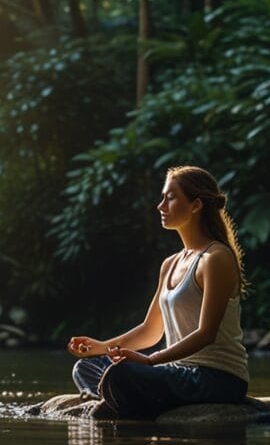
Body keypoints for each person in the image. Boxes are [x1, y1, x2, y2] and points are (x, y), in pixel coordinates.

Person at [67, 166, 250, 420]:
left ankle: (112, 398)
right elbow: (150, 330)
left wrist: (150, 362)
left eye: (170, 197)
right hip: (175, 371)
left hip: (216, 377)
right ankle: (116, 396)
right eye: (163, 197)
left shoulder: (215, 258)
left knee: (121, 375)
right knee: (86, 368)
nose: (160, 205)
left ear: (196, 205)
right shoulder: (170, 264)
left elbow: (206, 334)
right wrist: (101, 347)